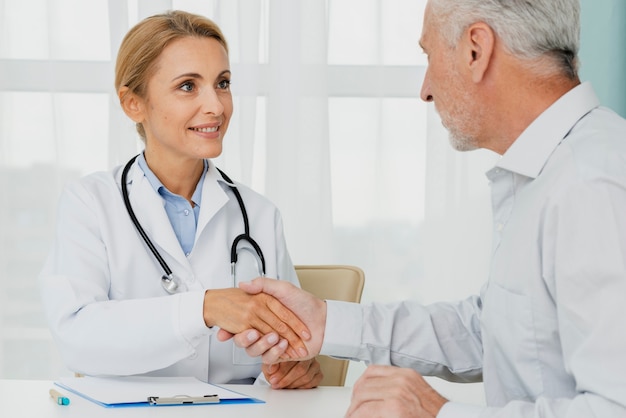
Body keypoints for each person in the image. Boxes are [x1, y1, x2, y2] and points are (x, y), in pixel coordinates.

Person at [221, 0, 626, 415]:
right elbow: (491, 331)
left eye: (429, 56)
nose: (426, 89)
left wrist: (437, 413)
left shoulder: (592, 184)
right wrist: (326, 322)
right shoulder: (551, 174)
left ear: (476, 50)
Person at [38, 10, 322, 389]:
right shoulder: (90, 204)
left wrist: (295, 368)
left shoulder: (259, 214)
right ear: (132, 103)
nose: (217, 106)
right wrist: (204, 308)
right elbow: (76, 337)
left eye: (222, 83)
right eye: (188, 86)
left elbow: (290, 344)